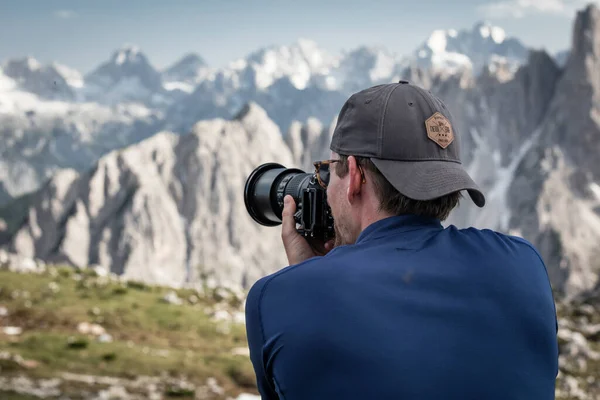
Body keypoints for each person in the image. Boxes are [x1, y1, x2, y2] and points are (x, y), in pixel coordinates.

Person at [244, 81, 559, 399]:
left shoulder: (275, 298)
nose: (324, 187)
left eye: (328, 172)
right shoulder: (525, 265)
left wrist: (303, 282)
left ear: (354, 176)